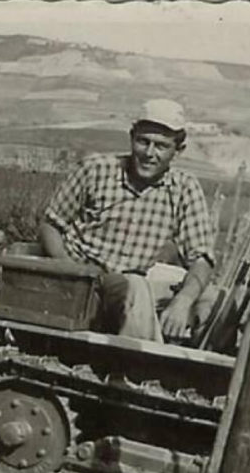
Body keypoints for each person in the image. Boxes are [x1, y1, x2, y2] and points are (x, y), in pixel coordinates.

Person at [39, 99, 216, 342]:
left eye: (161, 146)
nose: (149, 153)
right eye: (143, 141)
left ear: (178, 150)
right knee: (136, 287)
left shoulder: (184, 187)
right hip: (88, 278)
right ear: (132, 138)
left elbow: (201, 258)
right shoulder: (97, 170)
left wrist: (183, 301)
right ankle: (138, 359)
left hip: (135, 281)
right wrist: (69, 270)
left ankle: (195, 360)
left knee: (210, 297)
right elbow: (51, 224)